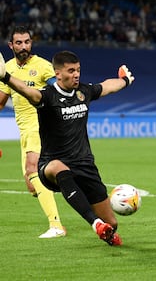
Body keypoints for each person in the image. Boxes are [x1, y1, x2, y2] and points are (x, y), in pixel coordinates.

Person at [0, 50, 135, 246]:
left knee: (112, 223)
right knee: (58, 167)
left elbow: (107, 87)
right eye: (71, 71)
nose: (76, 74)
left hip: (85, 166)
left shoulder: (83, 92)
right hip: (51, 166)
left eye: (78, 70)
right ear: (58, 74)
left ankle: (105, 229)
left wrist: (125, 81)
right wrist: (5, 76)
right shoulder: (47, 97)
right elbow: (27, 91)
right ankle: (95, 224)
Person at [0, 26, 66, 238]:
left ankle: (56, 226)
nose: (23, 47)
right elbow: (1, 102)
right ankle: (71, 181)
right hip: (25, 131)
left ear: (31, 43)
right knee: (32, 184)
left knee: (33, 169)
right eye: (18, 43)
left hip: (40, 128)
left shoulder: (43, 66)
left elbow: (61, 90)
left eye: (27, 42)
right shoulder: (7, 69)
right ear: (11, 45)